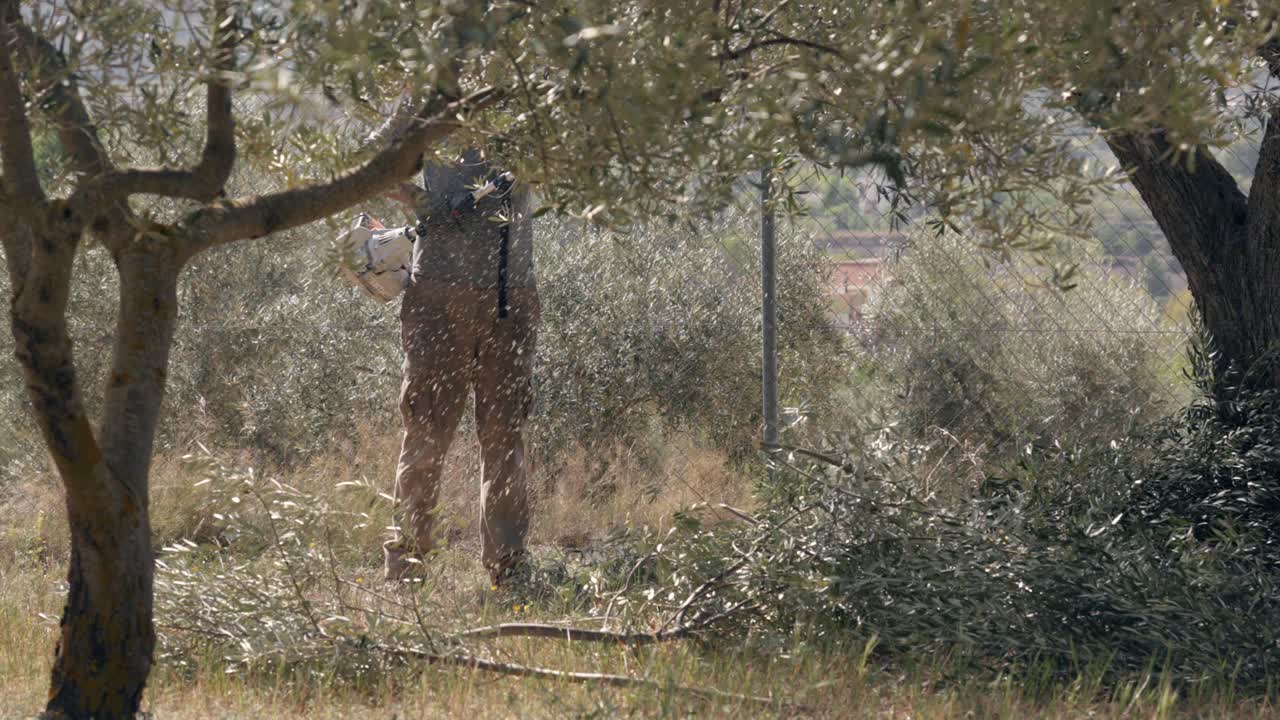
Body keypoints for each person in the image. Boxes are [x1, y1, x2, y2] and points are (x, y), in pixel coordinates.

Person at [367, 101, 539, 585]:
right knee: (426, 431)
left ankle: (509, 571)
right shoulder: (426, 100)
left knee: (504, 435)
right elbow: (362, 165)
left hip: (511, 296)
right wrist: (423, 205)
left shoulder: (531, 94)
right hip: (439, 295)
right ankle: (406, 568)